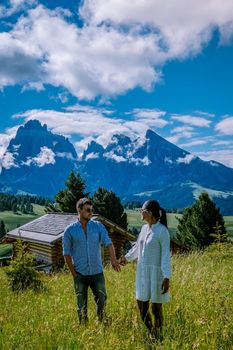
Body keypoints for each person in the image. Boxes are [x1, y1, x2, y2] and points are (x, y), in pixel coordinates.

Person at [62, 198, 120, 324]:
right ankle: (84, 329)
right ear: (79, 210)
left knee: (102, 302)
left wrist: (113, 260)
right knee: (81, 306)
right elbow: (66, 254)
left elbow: (108, 243)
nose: (91, 212)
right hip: (80, 274)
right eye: (88, 210)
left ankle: (103, 326)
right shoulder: (69, 230)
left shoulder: (98, 226)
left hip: (97, 273)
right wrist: (74, 274)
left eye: (92, 210)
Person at [120, 200, 171, 339]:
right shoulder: (144, 229)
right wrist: (126, 258)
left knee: (156, 309)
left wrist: (167, 277)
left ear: (149, 212)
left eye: (141, 210)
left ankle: (158, 337)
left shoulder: (162, 231)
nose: (140, 212)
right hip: (142, 273)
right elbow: (137, 248)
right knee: (142, 306)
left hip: (157, 274)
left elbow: (166, 256)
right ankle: (151, 332)